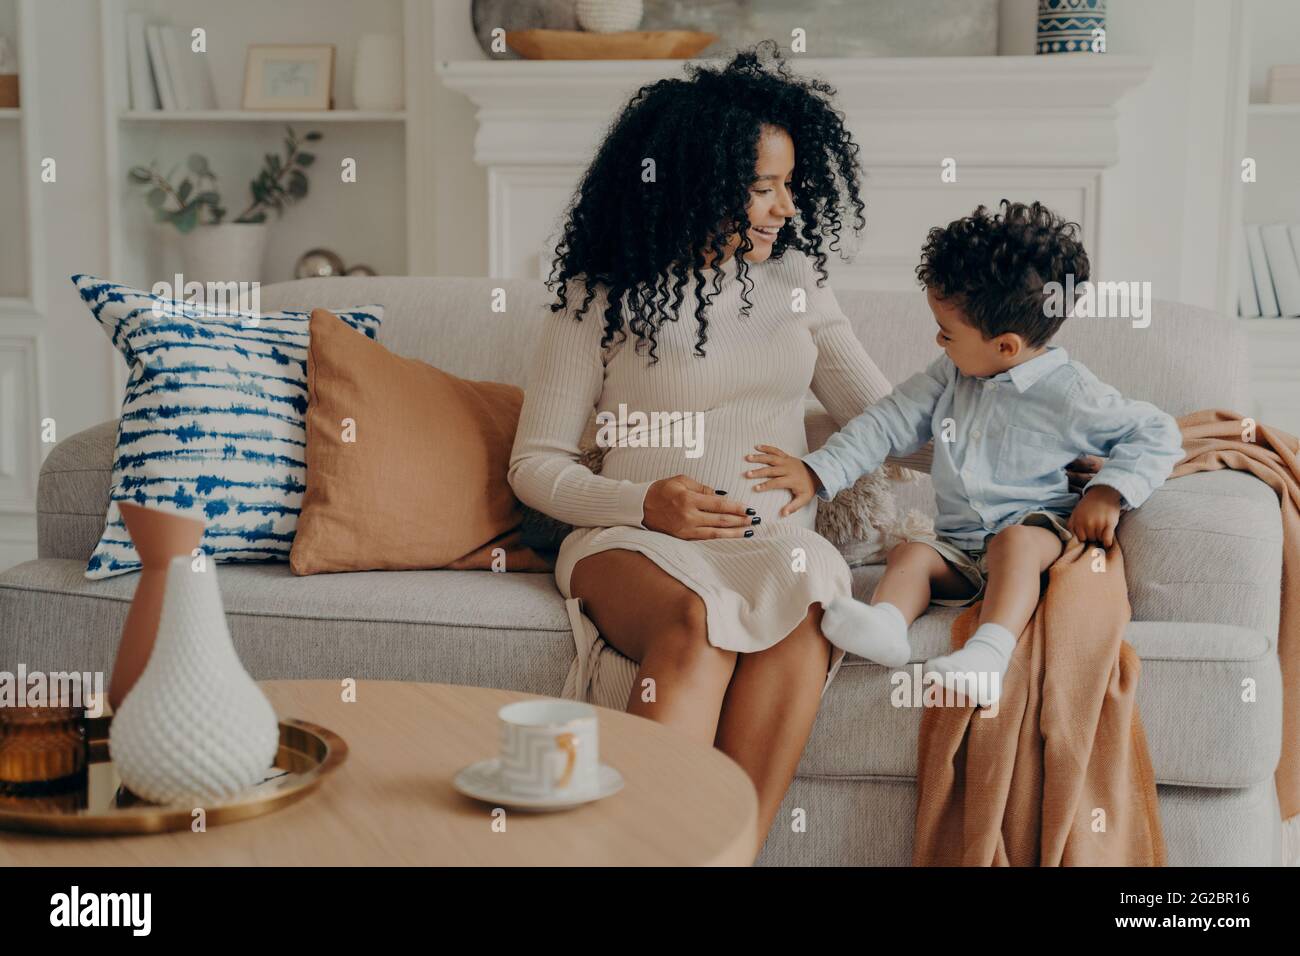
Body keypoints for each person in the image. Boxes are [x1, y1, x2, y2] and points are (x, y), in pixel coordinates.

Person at [749, 200, 1185, 707]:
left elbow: (1157, 433)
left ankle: (989, 654)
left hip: (1036, 536)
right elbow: (888, 421)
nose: (938, 340)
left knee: (1016, 544)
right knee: (911, 552)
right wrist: (817, 469)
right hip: (960, 547)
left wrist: (1108, 492)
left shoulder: (1069, 393)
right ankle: (888, 625)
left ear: (1005, 346)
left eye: (947, 333)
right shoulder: (950, 373)